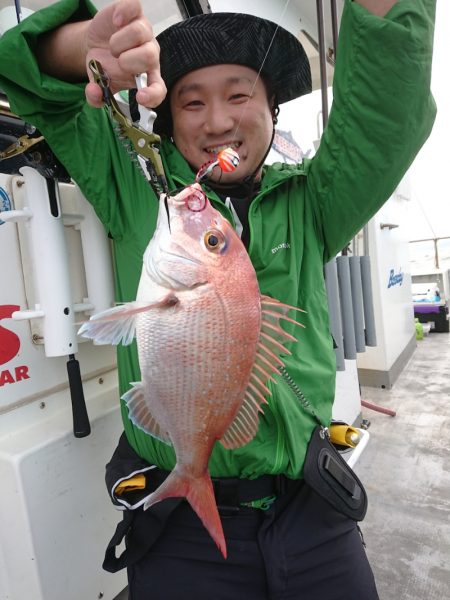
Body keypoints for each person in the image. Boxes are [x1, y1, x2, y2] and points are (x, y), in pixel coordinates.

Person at [0, 0, 436, 598]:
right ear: (170, 123)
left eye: (239, 96)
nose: (216, 122)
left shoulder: (314, 202)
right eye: (192, 101)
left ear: (270, 110)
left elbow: (386, 118)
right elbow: (33, 84)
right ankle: (191, 473)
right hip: (179, 529)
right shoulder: (142, 198)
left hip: (312, 509)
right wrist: (81, 53)